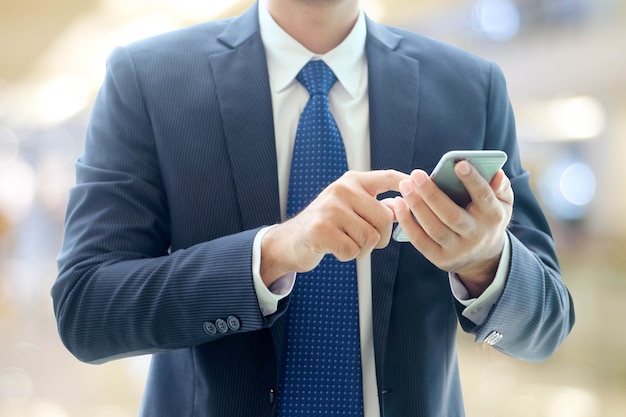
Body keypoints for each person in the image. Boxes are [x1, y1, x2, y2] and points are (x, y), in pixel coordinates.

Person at [52, 0, 575, 416]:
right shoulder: (147, 80)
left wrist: (486, 262)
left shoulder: (469, 88)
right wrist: (274, 252)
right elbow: (86, 311)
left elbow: (546, 326)